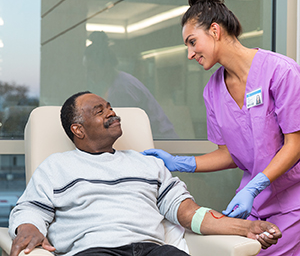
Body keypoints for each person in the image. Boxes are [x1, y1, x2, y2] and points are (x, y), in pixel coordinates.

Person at [9, 91, 281, 256]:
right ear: (78, 130)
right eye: (99, 111)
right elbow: (31, 207)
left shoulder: (147, 165)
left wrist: (246, 227)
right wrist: (30, 228)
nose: (112, 112)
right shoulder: (56, 167)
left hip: (152, 250)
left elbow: (187, 212)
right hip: (95, 250)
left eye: (110, 107)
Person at [142, 0, 300, 255]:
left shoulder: (281, 72)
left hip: (292, 196)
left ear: (215, 30)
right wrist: (181, 163)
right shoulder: (213, 91)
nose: (190, 54)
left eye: (192, 42)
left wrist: (255, 185)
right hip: (254, 201)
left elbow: (295, 145)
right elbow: (228, 154)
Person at [84, 31, 178, 139]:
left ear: (106, 65)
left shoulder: (122, 89)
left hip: (162, 143)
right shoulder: (118, 82)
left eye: (91, 69)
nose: (88, 74)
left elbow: (123, 129)